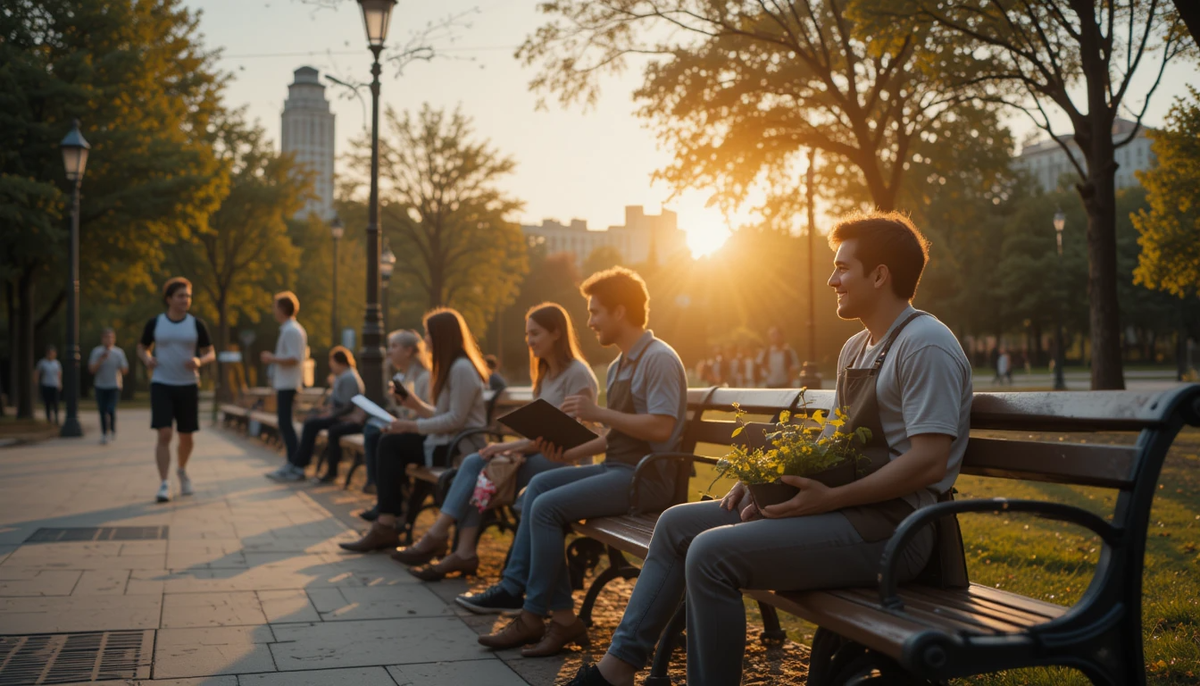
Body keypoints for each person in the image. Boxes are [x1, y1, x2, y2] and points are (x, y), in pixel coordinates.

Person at [567, 211, 973, 686]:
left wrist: (829, 499)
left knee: (711, 555)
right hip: (846, 513)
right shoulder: (856, 349)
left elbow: (928, 462)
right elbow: (831, 443)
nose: (832, 278)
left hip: (898, 530)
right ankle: (616, 671)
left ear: (880, 275)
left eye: (843, 267)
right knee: (678, 524)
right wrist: (761, 482)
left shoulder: (925, 345)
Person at [460, 266, 688, 659]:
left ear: (619, 312)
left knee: (546, 507)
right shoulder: (620, 365)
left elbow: (661, 426)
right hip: (619, 469)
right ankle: (562, 618)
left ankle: (535, 616)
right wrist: (565, 452)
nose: (589, 322)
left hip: (645, 479)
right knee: (538, 491)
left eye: (595, 311)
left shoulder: (659, 359)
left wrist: (597, 410)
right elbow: (615, 437)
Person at [393, 302, 599, 581]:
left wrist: (506, 447)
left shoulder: (577, 373)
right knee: (477, 466)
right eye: (527, 334)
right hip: (540, 456)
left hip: (566, 464)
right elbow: (540, 433)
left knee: (479, 466)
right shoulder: (544, 373)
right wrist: (514, 447)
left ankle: (447, 541)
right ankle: (460, 549)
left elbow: (571, 437)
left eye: (535, 334)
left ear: (557, 333)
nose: (529, 341)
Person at [339, 308, 489, 552]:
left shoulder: (461, 368)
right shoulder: (452, 367)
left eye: (428, 334)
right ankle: (390, 520)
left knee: (389, 443)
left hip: (458, 448)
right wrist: (415, 406)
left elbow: (456, 421)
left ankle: (387, 523)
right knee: (387, 440)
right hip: (446, 442)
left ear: (442, 336)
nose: (425, 339)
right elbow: (445, 416)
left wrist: (410, 425)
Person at [138, 277, 216, 503]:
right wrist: (147, 359)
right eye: (181, 295)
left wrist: (199, 361)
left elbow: (210, 352)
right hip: (162, 383)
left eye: (188, 296)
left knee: (187, 437)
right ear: (169, 299)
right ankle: (164, 483)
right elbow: (142, 347)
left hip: (188, 385)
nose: (186, 300)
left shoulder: (196, 324)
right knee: (164, 433)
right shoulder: (156, 323)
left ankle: (181, 469)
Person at [357, 330, 432, 519]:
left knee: (382, 438)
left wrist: (402, 419)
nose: (388, 352)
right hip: (414, 429)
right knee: (374, 429)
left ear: (408, 351)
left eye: (393, 346)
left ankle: (385, 503)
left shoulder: (424, 377)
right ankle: (383, 498)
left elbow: (425, 414)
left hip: (426, 435)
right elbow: (407, 413)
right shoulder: (401, 377)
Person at [266, 346, 364, 483]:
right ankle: (297, 464)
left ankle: (298, 465)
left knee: (312, 424)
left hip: (346, 419)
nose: (331, 366)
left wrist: (329, 415)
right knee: (311, 421)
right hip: (340, 416)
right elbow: (338, 403)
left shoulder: (348, 377)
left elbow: (347, 406)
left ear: (339, 362)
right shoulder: (343, 376)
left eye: (332, 362)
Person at [260, 292, 307, 465]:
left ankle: (294, 464)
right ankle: (292, 462)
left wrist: (272, 358)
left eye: (275, 307)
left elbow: (295, 358)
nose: (274, 310)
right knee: (284, 423)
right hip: (286, 383)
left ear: (282, 309)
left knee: (286, 424)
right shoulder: (289, 329)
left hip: (289, 384)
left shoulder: (292, 331)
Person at [88, 328, 129, 444]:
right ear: (102, 339)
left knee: (110, 409)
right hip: (100, 385)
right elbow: (91, 370)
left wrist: (121, 368)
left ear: (114, 339)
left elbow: (125, 370)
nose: (109, 340)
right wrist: (101, 360)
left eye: (111, 337)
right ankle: (104, 433)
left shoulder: (118, 352)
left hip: (114, 385)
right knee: (102, 410)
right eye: (107, 337)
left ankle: (112, 430)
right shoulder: (96, 352)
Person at [34, 345, 63, 424]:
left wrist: (60, 383)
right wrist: (36, 382)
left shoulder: (57, 363)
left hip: (55, 385)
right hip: (46, 385)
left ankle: (56, 419)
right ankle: (48, 419)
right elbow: (37, 372)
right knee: (47, 403)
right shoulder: (42, 362)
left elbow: (59, 374)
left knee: (55, 403)